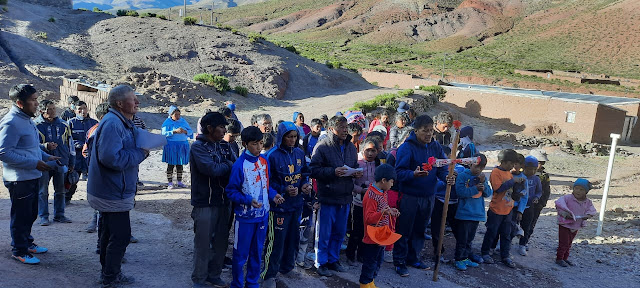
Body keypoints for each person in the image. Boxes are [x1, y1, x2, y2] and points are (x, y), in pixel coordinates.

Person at [87, 85, 148, 287]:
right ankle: (111, 277)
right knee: (121, 236)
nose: (137, 102)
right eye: (133, 99)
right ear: (120, 103)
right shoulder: (113, 123)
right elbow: (111, 158)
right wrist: (142, 153)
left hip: (110, 189)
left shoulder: (119, 121)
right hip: (113, 191)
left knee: (108, 233)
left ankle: (108, 273)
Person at [0, 84, 56, 265]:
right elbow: (3, 152)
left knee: (31, 213)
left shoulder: (26, 118)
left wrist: (46, 156)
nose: (37, 103)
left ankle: (27, 242)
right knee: (21, 215)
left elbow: (29, 147)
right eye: (33, 100)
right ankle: (19, 250)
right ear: (19, 102)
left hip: (31, 175)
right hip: (19, 179)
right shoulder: (11, 122)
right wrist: (34, 163)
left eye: (36, 99)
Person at [392, 115, 454, 277]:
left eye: (430, 131)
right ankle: (399, 261)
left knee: (420, 229)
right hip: (409, 196)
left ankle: (413, 258)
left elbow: (442, 167)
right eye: (424, 131)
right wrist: (413, 174)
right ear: (416, 130)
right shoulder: (406, 148)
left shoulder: (435, 147)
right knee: (404, 229)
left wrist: (446, 177)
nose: (428, 134)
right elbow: (398, 172)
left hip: (429, 196)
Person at [226, 126, 284, 288]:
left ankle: (252, 283)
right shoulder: (239, 165)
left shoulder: (264, 161)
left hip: (263, 216)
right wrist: (247, 200)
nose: (258, 148)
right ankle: (237, 284)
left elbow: (267, 186)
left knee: (257, 252)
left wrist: (274, 195)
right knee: (240, 254)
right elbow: (231, 191)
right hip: (245, 218)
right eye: (254, 144)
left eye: (260, 143)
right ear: (245, 144)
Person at [261, 122, 312, 288]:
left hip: (296, 204)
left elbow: (304, 173)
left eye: (295, 137)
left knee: (293, 238)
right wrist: (283, 189)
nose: (292, 140)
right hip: (279, 207)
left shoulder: (299, 152)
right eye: (288, 137)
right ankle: (268, 274)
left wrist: (305, 184)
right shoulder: (272, 155)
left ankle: (287, 266)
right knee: (276, 242)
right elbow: (266, 182)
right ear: (281, 137)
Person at [190, 112, 237, 288]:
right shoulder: (198, 147)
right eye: (221, 127)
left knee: (221, 242)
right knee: (203, 243)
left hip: (224, 201)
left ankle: (214, 275)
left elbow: (236, 165)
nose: (225, 130)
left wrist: (227, 166)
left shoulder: (225, 146)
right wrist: (228, 165)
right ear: (210, 128)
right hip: (205, 203)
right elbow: (211, 169)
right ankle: (199, 279)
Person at [310, 116, 361, 277]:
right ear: (332, 128)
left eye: (346, 127)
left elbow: (354, 166)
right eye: (341, 127)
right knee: (324, 233)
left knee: (339, 232)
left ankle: (333, 260)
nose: (345, 130)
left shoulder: (351, 148)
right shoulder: (322, 147)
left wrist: (356, 172)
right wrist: (333, 172)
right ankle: (321, 262)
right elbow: (313, 170)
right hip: (328, 197)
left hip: (345, 197)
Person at [480, 149, 524, 268]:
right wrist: (512, 181)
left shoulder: (509, 173)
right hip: (496, 209)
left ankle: (505, 255)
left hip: (508, 209)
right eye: (511, 163)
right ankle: (485, 252)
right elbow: (498, 189)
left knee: (506, 234)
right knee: (492, 232)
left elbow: (511, 191)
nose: (512, 166)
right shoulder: (496, 172)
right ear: (503, 162)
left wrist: (518, 193)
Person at [359, 164, 400, 288]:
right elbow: (368, 218)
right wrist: (383, 213)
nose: (392, 185)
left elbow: (384, 209)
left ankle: (371, 282)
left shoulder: (383, 192)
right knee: (370, 263)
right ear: (383, 180)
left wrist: (390, 211)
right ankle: (365, 284)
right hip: (372, 237)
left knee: (378, 261)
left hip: (381, 234)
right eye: (391, 182)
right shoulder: (371, 195)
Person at [34, 99, 74, 225]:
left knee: (61, 190)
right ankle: (43, 216)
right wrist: (45, 146)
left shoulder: (64, 125)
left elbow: (70, 145)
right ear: (41, 111)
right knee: (42, 191)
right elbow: (31, 145)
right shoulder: (35, 126)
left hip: (60, 162)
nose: (52, 112)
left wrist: (72, 162)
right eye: (48, 110)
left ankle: (60, 215)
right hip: (43, 163)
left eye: (53, 109)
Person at [453, 154, 492, 271]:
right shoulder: (462, 176)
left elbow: (488, 193)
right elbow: (460, 192)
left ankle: (465, 257)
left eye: (482, 167)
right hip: (464, 213)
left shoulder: (482, 177)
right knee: (462, 239)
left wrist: (484, 184)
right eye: (476, 166)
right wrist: (476, 188)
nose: (478, 169)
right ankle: (458, 259)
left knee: (470, 239)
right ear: (470, 163)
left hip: (476, 213)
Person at [346, 138, 381, 266]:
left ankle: (361, 254)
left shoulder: (378, 164)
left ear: (377, 151)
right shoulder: (357, 163)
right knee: (356, 230)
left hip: (372, 204)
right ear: (362, 150)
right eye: (368, 150)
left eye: (373, 150)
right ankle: (350, 255)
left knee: (368, 230)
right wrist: (361, 190)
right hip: (358, 203)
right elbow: (350, 183)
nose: (370, 153)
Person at [555, 178, 596, 267]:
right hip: (565, 224)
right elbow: (559, 205)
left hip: (576, 225)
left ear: (586, 192)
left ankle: (565, 258)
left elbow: (592, 211)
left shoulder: (587, 202)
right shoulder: (567, 198)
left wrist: (588, 216)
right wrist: (565, 214)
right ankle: (559, 258)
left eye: (582, 189)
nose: (578, 191)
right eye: (576, 188)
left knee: (569, 243)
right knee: (564, 242)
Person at [66, 101, 99, 203]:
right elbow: (67, 139)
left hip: (90, 157)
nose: (82, 111)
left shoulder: (94, 123)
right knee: (72, 179)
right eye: (79, 109)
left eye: (84, 108)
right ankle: (66, 198)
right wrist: (79, 144)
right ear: (75, 110)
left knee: (96, 181)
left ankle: (96, 201)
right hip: (76, 157)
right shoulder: (70, 123)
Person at [161, 105, 193, 189]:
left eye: (179, 114)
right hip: (171, 145)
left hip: (182, 145)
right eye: (176, 115)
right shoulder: (167, 122)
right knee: (171, 164)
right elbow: (163, 134)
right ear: (171, 115)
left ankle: (179, 181)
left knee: (180, 164)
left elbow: (190, 131)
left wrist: (185, 131)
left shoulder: (183, 121)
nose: (178, 116)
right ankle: (170, 182)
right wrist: (174, 131)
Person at [518, 156, 542, 256]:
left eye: (534, 169)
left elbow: (539, 191)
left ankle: (522, 245)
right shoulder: (519, 177)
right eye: (529, 169)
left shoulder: (536, 179)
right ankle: (504, 243)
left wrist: (537, 197)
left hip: (529, 207)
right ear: (523, 167)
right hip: (517, 206)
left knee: (526, 226)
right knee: (511, 225)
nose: (531, 171)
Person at [529, 149, 551, 251]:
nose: (540, 166)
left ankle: (524, 242)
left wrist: (542, 203)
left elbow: (546, 191)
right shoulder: (522, 173)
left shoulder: (544, 176)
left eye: (542, 163)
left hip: (537, 204)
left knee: (531, 224)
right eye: (538, 163)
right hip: (523, 203)